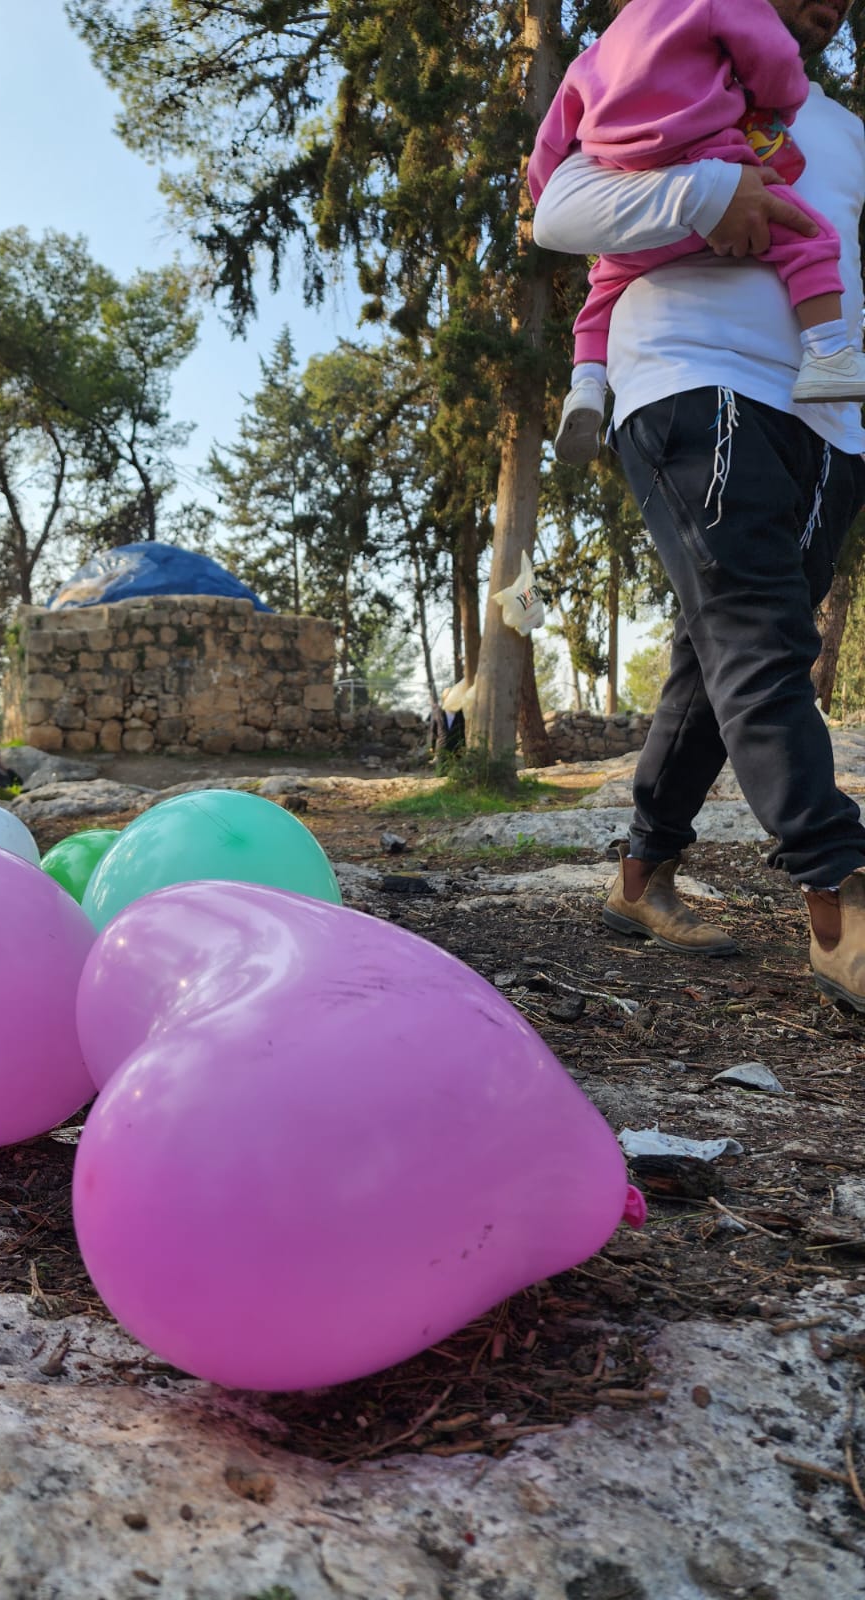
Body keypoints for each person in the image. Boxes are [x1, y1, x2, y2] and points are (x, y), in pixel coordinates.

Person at [532, 0, 865, 1011]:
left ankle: (641, 876)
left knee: (719, 649)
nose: (830, 6)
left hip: (829, 417)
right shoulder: (661, 62)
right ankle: (842, 895)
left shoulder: (844, 129)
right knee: (758, 632)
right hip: (690, 374)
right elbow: (559, 210)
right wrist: (707, 191)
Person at [529, 0, 865, 466]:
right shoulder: (720, 19)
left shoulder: (850, 130)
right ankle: (828, 352)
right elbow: (552, 215)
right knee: (807, 235)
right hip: (698, 390)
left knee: (604, 286)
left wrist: (851, 434)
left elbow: (554, 135)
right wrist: (778, 109)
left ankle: (585, 386)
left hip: (831, 435)